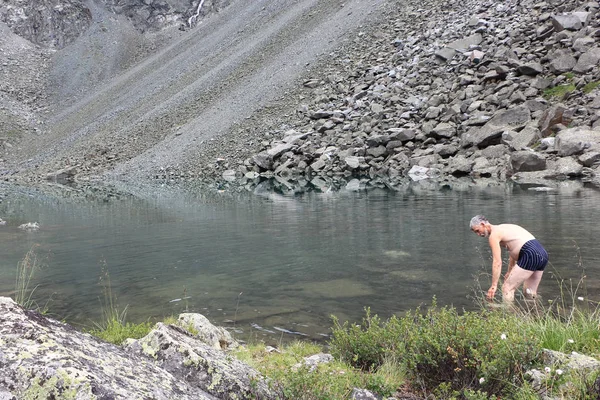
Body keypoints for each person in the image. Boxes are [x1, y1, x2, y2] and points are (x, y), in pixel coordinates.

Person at [470, 215, 549, 302]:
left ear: (482, 224)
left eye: (477, 230)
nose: (478, 234)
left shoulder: (494, 235)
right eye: (475, 233)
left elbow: (497, 262)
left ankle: (509, 314)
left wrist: (494, 285)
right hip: (542, 253)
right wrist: (509, 271)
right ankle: (537, 313)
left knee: (507, 288)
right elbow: (512, 250)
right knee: (529, 292)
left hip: (530, 253)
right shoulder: (504, 227)